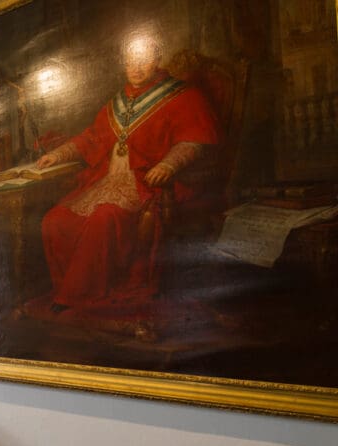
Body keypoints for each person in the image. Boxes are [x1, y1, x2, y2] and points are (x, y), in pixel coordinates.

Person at [35, 34, 220, 313]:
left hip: (148, 183)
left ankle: (79, 296)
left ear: (157, 60)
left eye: (143, 61)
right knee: (54, 220)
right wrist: (57, 154)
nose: (136, 68)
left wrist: (168, 165)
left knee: (104, 217)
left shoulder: (182, 95)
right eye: (130, 62)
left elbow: (193, 141)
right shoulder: (118, 101)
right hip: (108, 180)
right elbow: (91, 138)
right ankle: (67, 289)